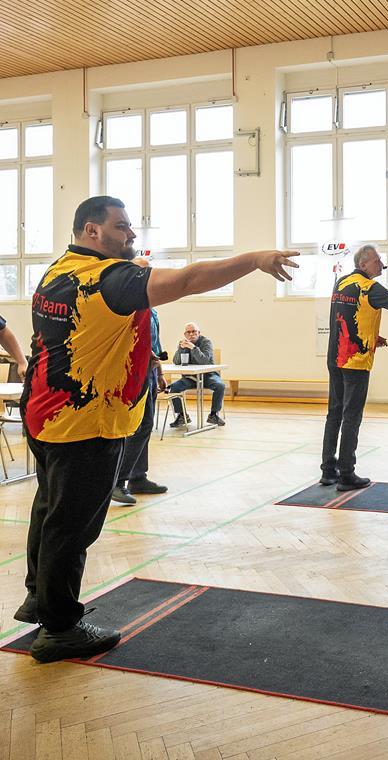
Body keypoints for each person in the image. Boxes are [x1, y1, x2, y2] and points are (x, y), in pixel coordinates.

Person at [15, 195, 296, 663]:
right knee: (72, 525)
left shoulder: (58, 270)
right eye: (122, 227)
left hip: (44, 414)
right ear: (92, 232)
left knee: (49, 512)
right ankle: (60, 628)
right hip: (85, 422)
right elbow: (186, 279)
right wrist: (253, 260)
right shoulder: (107, 279)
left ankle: (40, 599)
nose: (131, 235)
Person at [321, 244, 388, 491]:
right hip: (356, 361)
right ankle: (347, 474)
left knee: (334, 413)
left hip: (335, 357)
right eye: (376, 260)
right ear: (363, 265)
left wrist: (373, 335)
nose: (381, 263)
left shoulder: (342, 282)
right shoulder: (371, 287)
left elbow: (346, 314)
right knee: (351, 416)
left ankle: (328, 471)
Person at [110, 306, 167, 505]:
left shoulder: (153, 312)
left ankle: (137, 477)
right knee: (141, 426)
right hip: (133, 372)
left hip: (149, 373)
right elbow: (131, 337)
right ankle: (118, 482)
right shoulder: (132, 308)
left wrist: (160, 374)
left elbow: (155, 344)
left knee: (145, 426)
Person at [168, 322, 226, 428]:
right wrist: (181, 348)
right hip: (190, 378)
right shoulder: (184, 343)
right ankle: (182, 416)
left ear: (199, 332)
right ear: (185, 334)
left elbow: (203, 360)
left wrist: (193, 348)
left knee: (220, 386)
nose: (191, 334)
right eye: (188, 332)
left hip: (208, 376)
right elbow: (176, 362)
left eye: (194, 331)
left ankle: (214, 415)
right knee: (173, 388)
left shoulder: (206, 342)